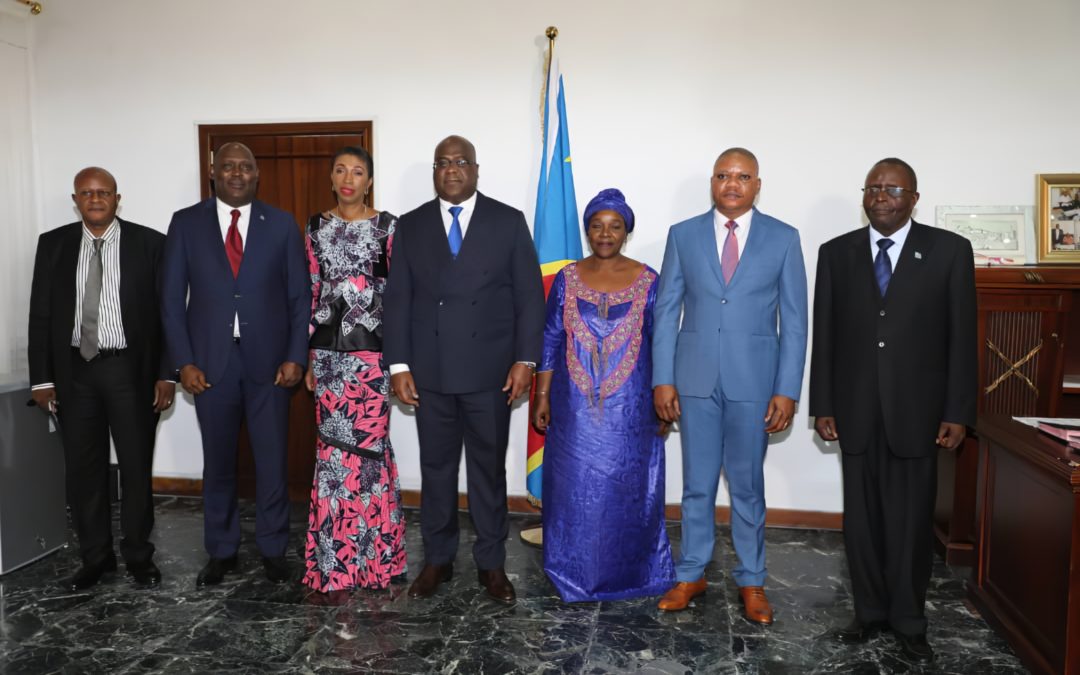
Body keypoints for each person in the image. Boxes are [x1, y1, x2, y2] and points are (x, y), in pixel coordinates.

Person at [810, 158, 977, 662]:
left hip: (919, 413)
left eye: (893, 189)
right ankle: (868, 614)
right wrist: (823, 404)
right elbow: (825, 335)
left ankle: (909, 620)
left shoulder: (950, 251)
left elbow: (962, 338)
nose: (881, 197)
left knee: (910, 523)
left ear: (914, 199)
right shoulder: (836, 253)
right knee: (860, 522)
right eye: (873, 188)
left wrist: (958, 411)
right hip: (855, 409)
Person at [383, 135, 545, 603]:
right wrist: (398, 364)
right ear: (435, 172)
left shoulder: (507, 221)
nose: (451, 169)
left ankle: (491, 564)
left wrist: (525, 360)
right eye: (442, 162)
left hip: (490, 374)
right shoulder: (411, 225)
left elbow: (529, 297)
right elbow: (398, 298)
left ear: (475, 169)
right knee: (436, 470)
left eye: (460, 162)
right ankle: (438, 560)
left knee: (487, 473)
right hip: (429, 373)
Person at [652, 148, 808, 623]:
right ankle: (691, 573)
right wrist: (663, 378)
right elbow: (666, 311)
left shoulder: (783, 238)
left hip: (755, 382)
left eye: (742, 176)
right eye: (723, 175)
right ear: (713, 182)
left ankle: (752, 580)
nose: (732, 184)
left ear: (757, 184)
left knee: (747, 487)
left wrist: (787, 389)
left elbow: (795, 321)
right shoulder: (683, 235)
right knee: (696, 485)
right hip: (694, 379)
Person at [160, 142, 309, 586]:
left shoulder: (281, 224)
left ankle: (273, 550)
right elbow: (171, 301)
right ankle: (221, 550)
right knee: (218, 463)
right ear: (214, 173)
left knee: (272, 462)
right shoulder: (185, 223)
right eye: (228, 166)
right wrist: (183, 362)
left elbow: (300, 297)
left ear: (257, 174)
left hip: (271, 366)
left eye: (245, 167)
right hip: (210, 366)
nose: (237, 173)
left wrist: (295, 356)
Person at [28, 167, 174, 590]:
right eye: (87, 193)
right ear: (76, 200)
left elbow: (168, 315)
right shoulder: (53, 245)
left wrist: (166, 374)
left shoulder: (150, 244)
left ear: (117, 198)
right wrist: (42, 380)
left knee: (135, 466)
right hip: (74, 372)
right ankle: (95, 558)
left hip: (130, 370)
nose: (95, 199)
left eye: (103, 192)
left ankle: (139, 556)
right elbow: (41, 314)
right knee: (83, 469)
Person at [531, 188, 675, 602]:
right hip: (573, 408)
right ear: (587, 231)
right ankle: (571, 571)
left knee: (627, 489)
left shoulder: (649, 280)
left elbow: (662, 341)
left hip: (632, 409)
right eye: (597, 226)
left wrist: (662, 398)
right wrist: (542, 396)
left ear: (626, 231)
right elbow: (551, 337)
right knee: (574, 488)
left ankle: (632, 573)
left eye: (614, 226)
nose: (606, 234)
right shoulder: (568, 278)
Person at [301, 146, 406, 592]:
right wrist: (308, 355)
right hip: (328, 359)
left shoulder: (388, 228)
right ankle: (335, 562)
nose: (348, 178)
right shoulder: (314, 228)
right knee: (332, 454)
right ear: (331, 178)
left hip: (373, 358)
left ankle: (376, 559)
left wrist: (399, 360)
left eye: (358, 171)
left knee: (369, 453)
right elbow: (312, 291)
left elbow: (400, 296)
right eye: (341, 170)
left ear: (369, 181)